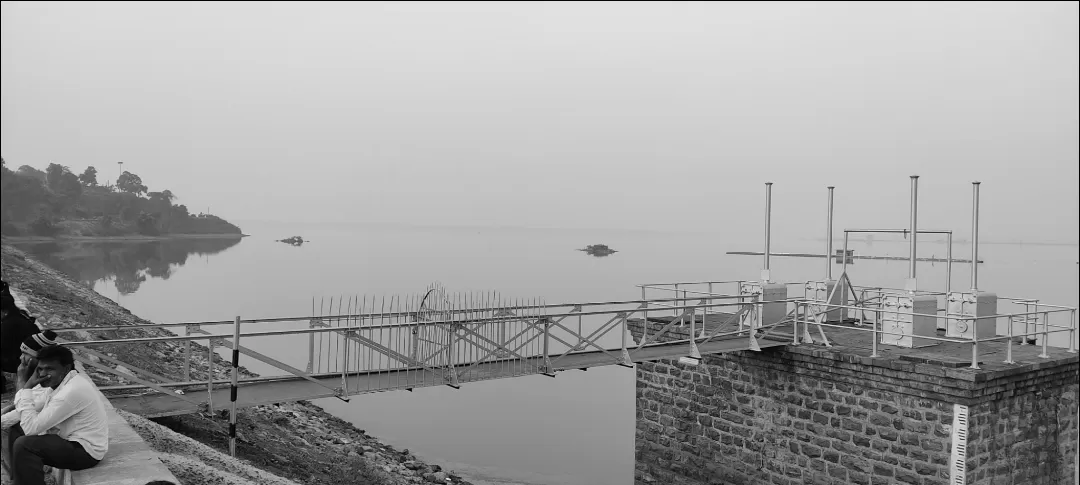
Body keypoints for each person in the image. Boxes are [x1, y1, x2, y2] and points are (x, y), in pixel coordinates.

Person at [6, 345, 109, 485]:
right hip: (69, 441)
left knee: (25, 445)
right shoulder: (60, 384)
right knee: (17, 427)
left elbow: (31, 428)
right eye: (40, 369)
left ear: (66, 369)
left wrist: (26, 387)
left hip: (85, 451)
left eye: (49, 369)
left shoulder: (71, 391)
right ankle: (18, 480)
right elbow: (26, 411)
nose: (42, 374)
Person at [0, 330, 58, 428]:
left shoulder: (50, 381)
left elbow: (21, 410)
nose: (21, 357)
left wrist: (21, 379)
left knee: (9, 427)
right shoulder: (43, 376)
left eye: (25, 353)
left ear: (38, 358)